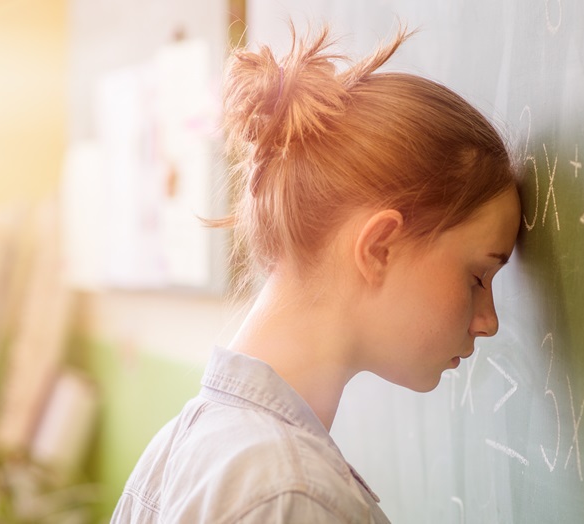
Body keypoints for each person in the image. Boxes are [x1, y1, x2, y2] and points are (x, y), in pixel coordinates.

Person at [111, 25, 521, 523]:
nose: (489, 321)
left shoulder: (183, 443)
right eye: (478, 277)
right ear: (379, 248)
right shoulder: (291, 497)